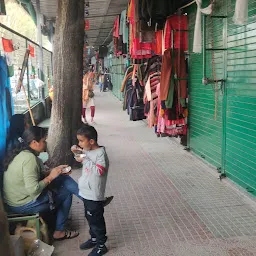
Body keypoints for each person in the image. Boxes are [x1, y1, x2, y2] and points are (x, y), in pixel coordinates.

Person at [3, 126, 79, 240]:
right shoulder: (29, 159)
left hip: (15, 200)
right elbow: (33, 190)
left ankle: (89, 198)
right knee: (66, 193)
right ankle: (59, 231)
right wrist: (51, 177)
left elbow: (33, 176)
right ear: (34, 142)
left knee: (63, 179)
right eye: (43, 140)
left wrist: (55, 171)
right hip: (20, 205)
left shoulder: (23, 154)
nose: (45, 143)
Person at [71, 125, 109, 256]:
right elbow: (83, 160)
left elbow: (99, 171)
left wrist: (85, 158)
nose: (79, 143)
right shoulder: (88, 151)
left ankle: (101, 245)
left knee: (96, 220)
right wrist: (77, 152)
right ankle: (94, 239)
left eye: (81, 141)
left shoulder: (101, 154)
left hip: (94, 194)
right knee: (89, 216)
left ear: (91, 141)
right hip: (86, 192)